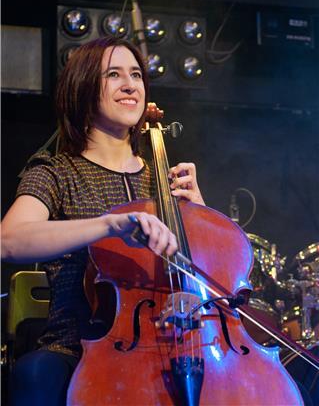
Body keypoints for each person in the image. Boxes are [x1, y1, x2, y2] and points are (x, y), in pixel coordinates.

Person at [1, 35, 205, 406]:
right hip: (78, 349)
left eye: (137, 75)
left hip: (174, 343)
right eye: (114, 74)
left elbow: (206, 283)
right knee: (34, 374)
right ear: (82, 89)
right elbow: (9, 240)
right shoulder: (56, 171)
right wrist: (109, 225)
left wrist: (200, 216)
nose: (130, 85)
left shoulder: (164, 181)